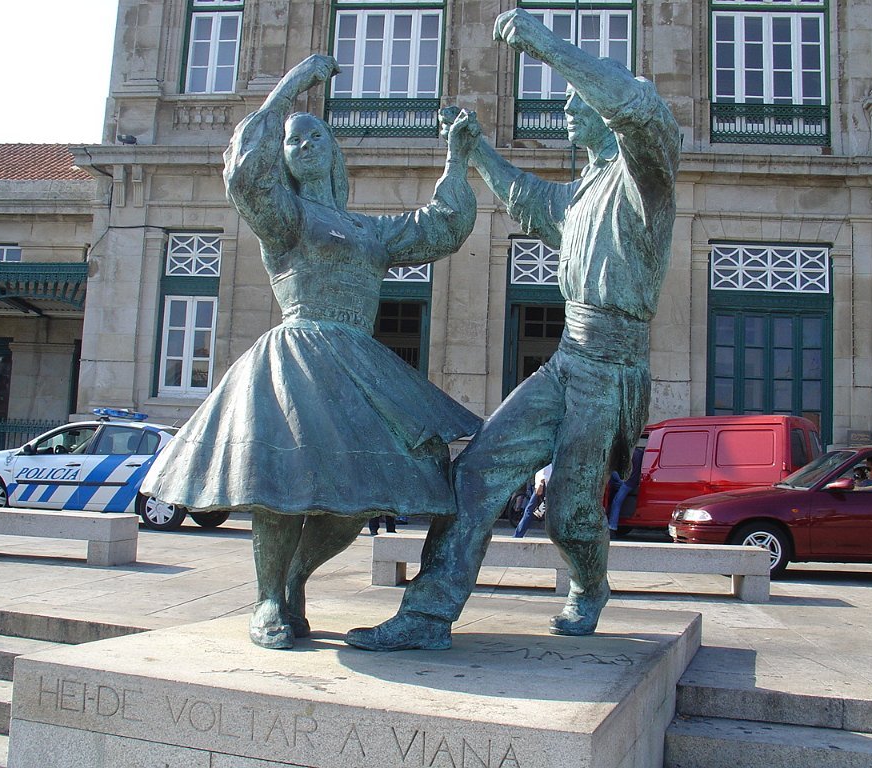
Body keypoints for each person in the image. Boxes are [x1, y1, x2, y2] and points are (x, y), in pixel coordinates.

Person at [346, 9, 680, 651]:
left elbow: (638, 110)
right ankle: (427, 615)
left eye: (577, 101)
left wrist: (546, 45)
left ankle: (590, 585)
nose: (566, 111)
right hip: (567, 359)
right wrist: (476, 151)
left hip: (612, 370)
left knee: (570, 514)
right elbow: (528, 199)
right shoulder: (584, 194)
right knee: (476, 471)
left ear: (604, 111)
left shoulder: (646, 179)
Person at [141, 54, 482, 650]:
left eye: (314, 136)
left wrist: (457, 155)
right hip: (295, 358)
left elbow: (441, 227)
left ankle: (295, 579)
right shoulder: (286, 217)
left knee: (358, 499)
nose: (303, 145)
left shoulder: (368, 230)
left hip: (359, 365)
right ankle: (268, 600)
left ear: (333, 152)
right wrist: (288, 91)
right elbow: (246, 179)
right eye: (293, 140)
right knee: (277, 490)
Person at [607, 446, 644, 531]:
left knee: (616, 502)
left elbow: (624, 470)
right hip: (632, 481)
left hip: (628, 481)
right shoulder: (639, 453)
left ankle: (612, 526)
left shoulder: (629, 454)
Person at [513, 464, 551, 538]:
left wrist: (541, 483)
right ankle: (518, 534)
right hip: (547, 483)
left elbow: (545, 469)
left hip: (544, 483)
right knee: (531, 510)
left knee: (530, 510)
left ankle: (518, 535)